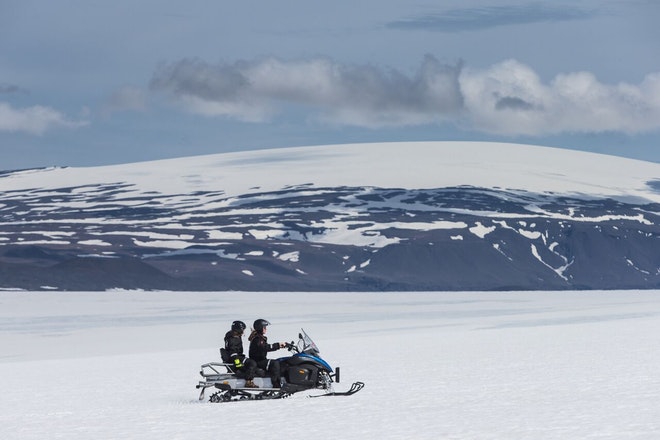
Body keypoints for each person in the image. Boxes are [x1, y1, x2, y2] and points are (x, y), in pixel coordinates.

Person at [248, 318, 287, 388]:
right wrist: (278, 345)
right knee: (275, 363)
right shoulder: (258, 339)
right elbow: (265, 347)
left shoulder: (259, 338)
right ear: (260, 328)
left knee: (280, 362)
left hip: (260, 360)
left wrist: (282, 345)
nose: (266, 329)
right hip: (258, 362)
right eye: (264, 327)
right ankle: (276, 385)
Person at [224, 320, 258, 388]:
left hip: (236, 357)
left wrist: (252, 336)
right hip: (235, 358)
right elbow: (233, 354)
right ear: (238, 329)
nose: (243, 332)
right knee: (252, 363)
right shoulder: (233, 339)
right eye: (242, 330)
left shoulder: (232, 336)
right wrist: (238, 365)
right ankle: (248, 382)